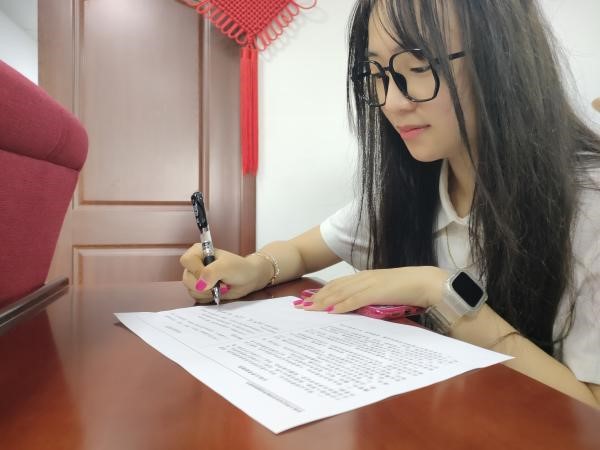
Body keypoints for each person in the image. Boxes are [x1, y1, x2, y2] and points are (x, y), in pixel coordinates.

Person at [180, 0, 600, 408]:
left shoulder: (588, 201)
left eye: (419, 67)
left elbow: (589, 410)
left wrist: (441, 292)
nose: (393, 102)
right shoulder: (416, 184)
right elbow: (302, 251)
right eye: (378, 74)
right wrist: (255, 268)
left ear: (504, 58)